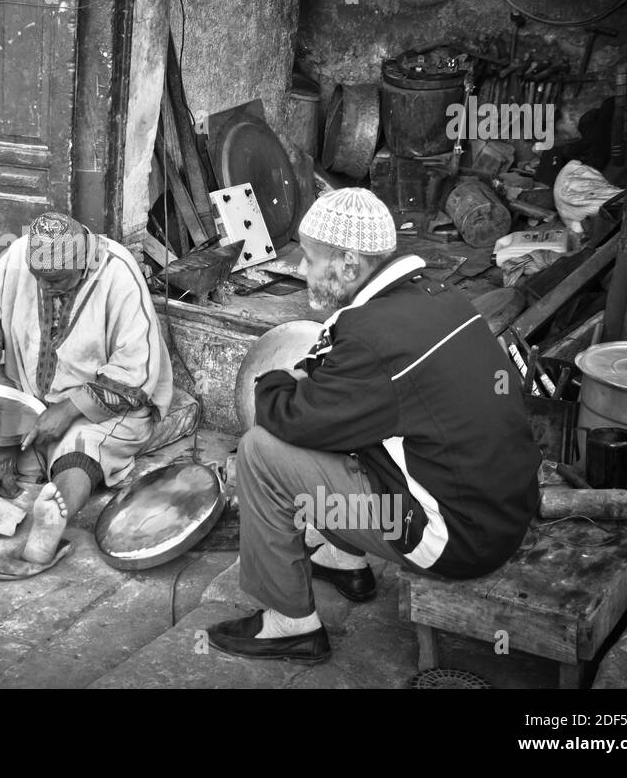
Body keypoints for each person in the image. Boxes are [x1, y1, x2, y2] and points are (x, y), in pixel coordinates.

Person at [206, 188, 541, 663]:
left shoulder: (371, 338)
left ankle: (289, 625)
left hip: (458, 539)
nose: (301, 269)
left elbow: (283, 416)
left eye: (309, 258)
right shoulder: (439, 294)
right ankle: (346, 561)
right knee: (349, 425)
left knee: (262, 451)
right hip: (502, 512)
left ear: (347, 263)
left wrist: (278, 378)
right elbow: (348, 406)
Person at [0, 212, 174, 580]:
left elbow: (136, 373)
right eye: (40, 280)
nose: (46, 289)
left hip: (108, 406)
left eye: (57, 281)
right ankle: (32, 476)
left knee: (78, 450)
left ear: (81, 267)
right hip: (33, 398)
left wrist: (67, 409)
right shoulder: (20, 255)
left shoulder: (118, 274)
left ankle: (49, 526)